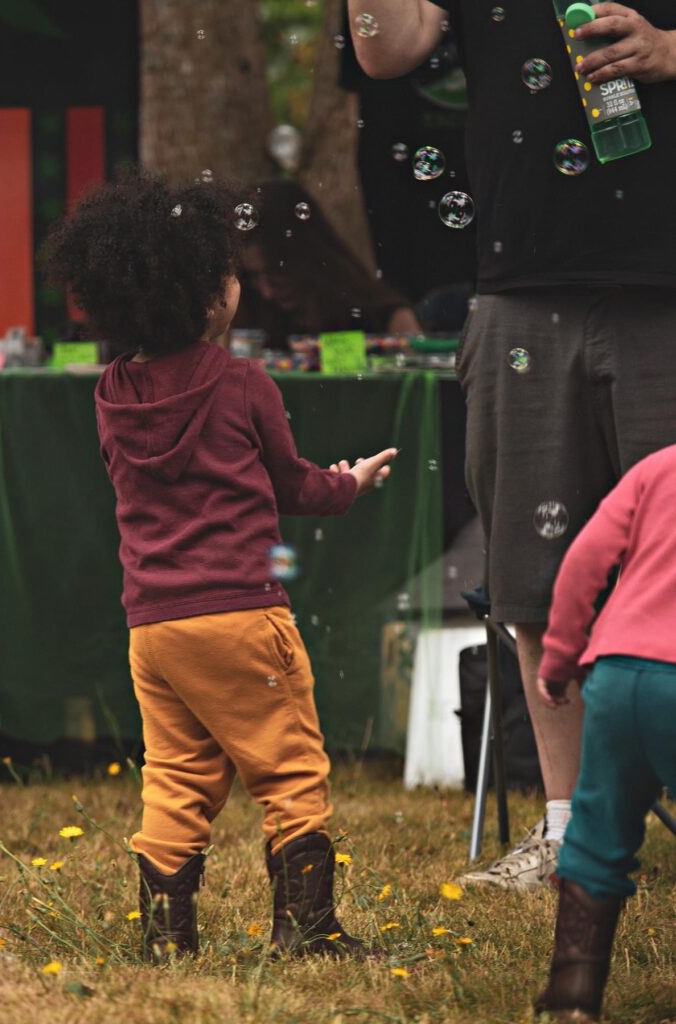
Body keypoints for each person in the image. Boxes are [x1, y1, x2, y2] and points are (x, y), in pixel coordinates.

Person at [351, 0, 676, 888]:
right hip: (520, 281)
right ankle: (569, 831)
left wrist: (668, 48)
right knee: (535, 578)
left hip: (667, 281)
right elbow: (389, 50)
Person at [44, 174, 398, 959]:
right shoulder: (242, 382)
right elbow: (294, 486)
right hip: (241, 614)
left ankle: (166, 938)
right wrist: (351, 483)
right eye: (228, 272)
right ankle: (306, 930)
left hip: (154, 627)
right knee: (291, 767)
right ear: (208, 298)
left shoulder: (112, 393)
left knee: (175, 776)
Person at [533, 445, 676, 1021]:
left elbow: (584, 560)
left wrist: (558, 658)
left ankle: (572, 997)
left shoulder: (658, 467)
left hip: (617, 676)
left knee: (595, 834)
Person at [234, 178, 422, 349]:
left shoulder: (383, 317)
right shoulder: (253, 321)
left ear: (305, 255)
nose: (267, 292)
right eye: (254, 277)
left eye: (276, 272)